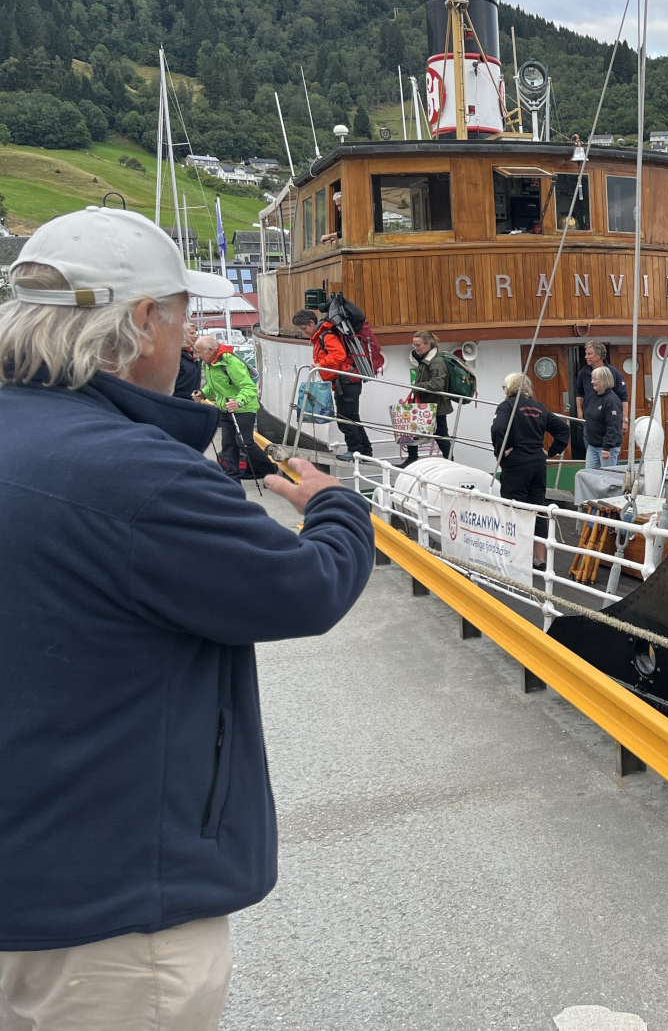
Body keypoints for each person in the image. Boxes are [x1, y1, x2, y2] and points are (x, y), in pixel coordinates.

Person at [0, 208, 374, 1030]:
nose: (188, 335)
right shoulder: (136, 474)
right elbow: (308, 586)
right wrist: (337, 505)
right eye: (182, 315)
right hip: (108, 919)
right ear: (142, 322)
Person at [492, 372, 571, 565]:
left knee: (515, 511)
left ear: (509, 388)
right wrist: (551, 452)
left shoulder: (507, 406)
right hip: (538, 465)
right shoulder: (538, 407)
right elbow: (563, 429)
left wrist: (501, 452)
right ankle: (540, 559)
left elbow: (498, 429)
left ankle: (518, 559)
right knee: (538, 510)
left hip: (516, 466)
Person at [291, 306, 372, 458]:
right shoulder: (322, 336)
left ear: (312, 323)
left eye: (304, 329)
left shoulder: (326, 336)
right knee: (352, 417)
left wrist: (320, 364)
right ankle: (365, 450)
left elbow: (339, 354)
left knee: (345, 418)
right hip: (345, 381)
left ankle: (355, 450)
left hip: (346, 382)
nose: (303, 332)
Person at [195, 334, 277, 479]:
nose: (197, 355)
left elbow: (249, 387)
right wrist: (203, 393)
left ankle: (269, 468)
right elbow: (213, 385)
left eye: (199, 352)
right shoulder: (208, 363)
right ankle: (233, 478)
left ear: (211, 350)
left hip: (243, 408)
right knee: (228, 445)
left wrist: (238, 402)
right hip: (225, 407)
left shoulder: (231, 363)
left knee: (244, 443)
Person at [401, 329, 452, 466]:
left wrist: (417, 387)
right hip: (424, 403)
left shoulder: (437, 361)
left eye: (418, 345)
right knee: (413, 428)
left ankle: (450, 460)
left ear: (428, 344)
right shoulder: (426, 358)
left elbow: (437, 383)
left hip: (435, 404)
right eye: (414, 345)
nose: (415, 349)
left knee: (441, 434)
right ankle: (412, 458)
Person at [583, 365, 623, 468]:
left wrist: (607, 447)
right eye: (592, 379)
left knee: (607, 476)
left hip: (607, 448)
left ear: (604, 380)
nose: (592, 382)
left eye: (595, 379)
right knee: (589, 474)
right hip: (592, 446)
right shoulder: (592, 396)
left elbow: (614, 425)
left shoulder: (611, 400)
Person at [175, 320, 202, 400]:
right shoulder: (177, 354)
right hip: (179, 398)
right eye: (192, 333)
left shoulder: (196, 353)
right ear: (183, 335)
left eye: (195, 333)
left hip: (194, 397)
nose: (195, 336)